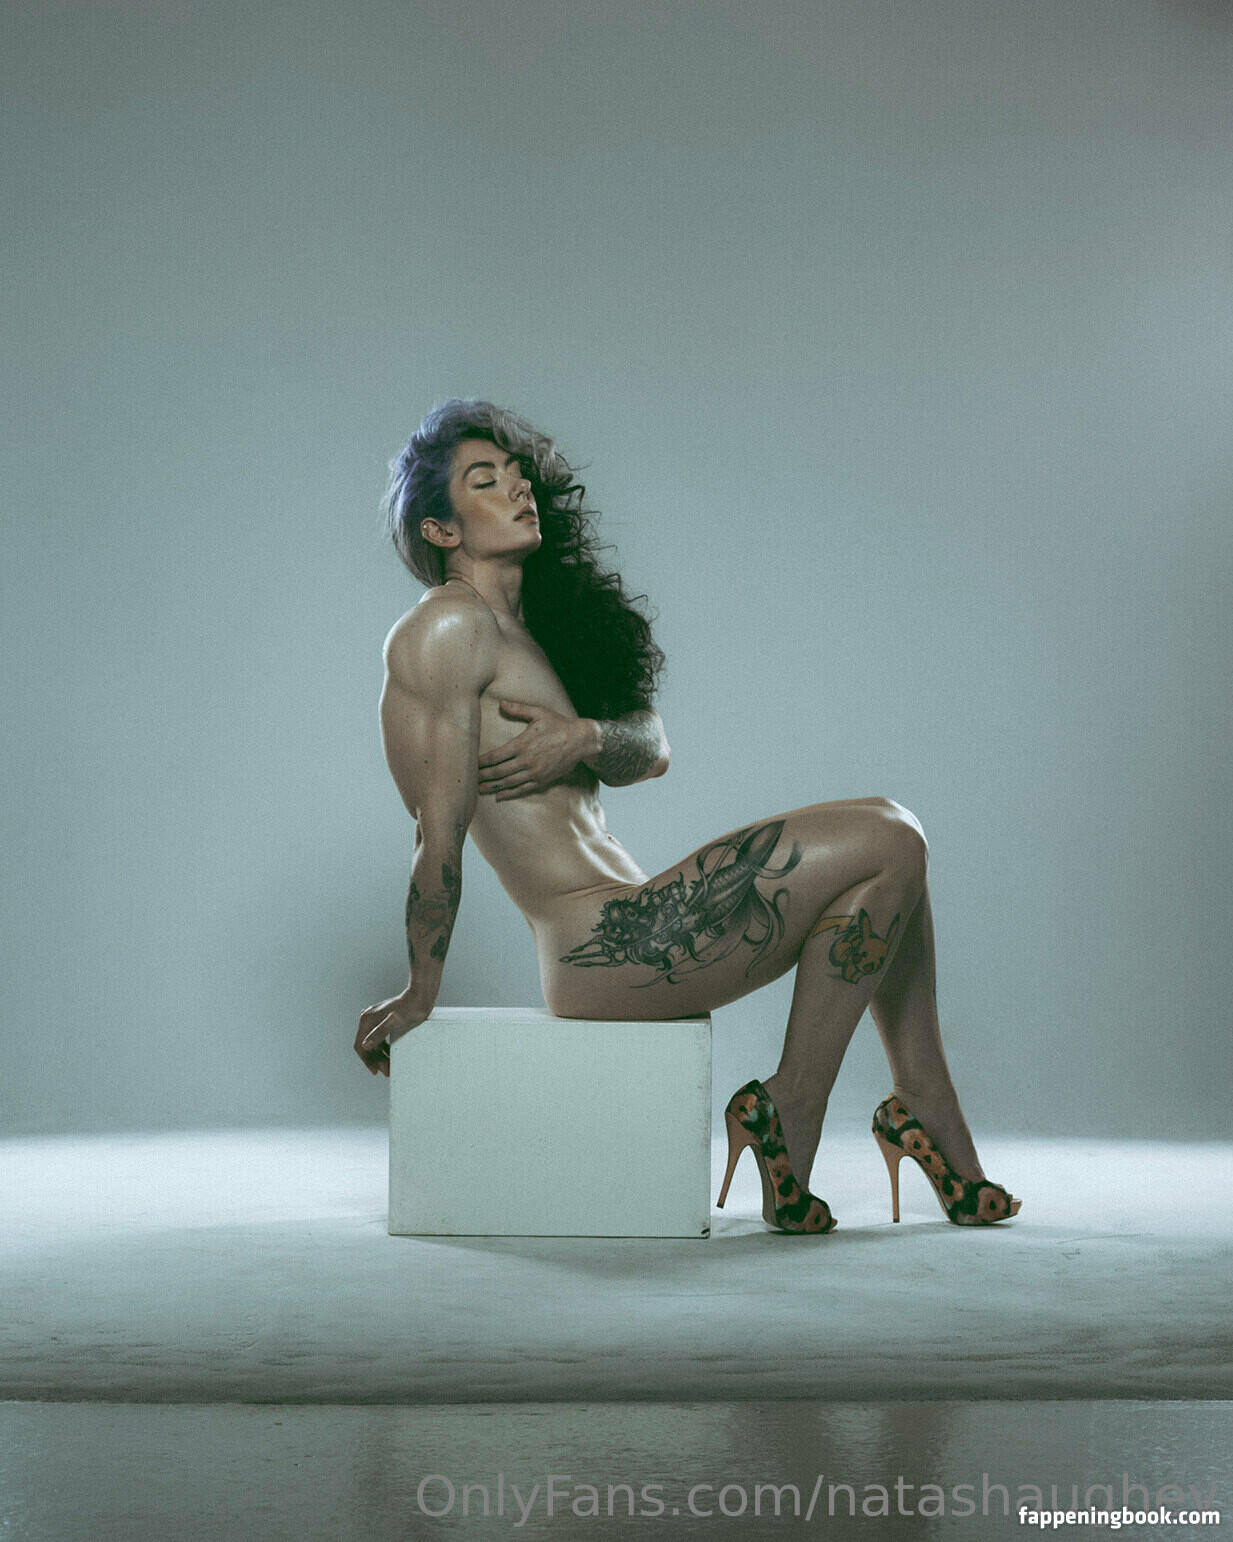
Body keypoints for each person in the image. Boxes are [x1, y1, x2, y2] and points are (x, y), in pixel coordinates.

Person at [355, 399, 1020, 1233]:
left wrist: (582, 738)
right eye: (483, 481)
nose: (517, 489)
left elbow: (651, 747)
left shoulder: (535, 628)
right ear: (441, 529)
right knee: (889, 834)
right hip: (602, 943)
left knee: (887, 869)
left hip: (638, 921)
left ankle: (919, 1104)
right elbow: (438, 828)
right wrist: (420, 990)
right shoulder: (448, 627)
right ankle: (795, 1105)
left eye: (517, 474)